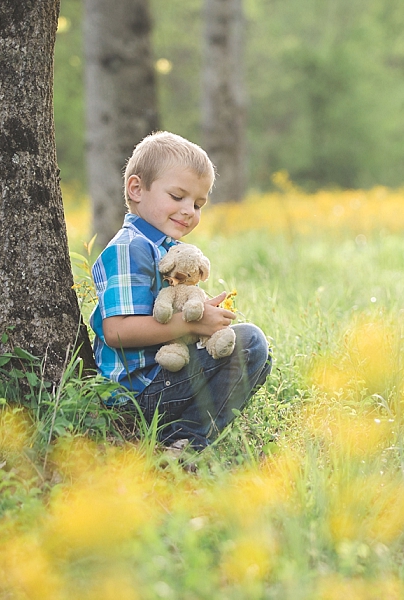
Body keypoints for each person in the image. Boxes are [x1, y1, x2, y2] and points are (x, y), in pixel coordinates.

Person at [89, 131, 272, 450]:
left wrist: (204, 318)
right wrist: (190, 325)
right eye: (177, 197)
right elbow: (117, 331)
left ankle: (181, 441)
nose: (189, 210)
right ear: (137, 189)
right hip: (136, 393)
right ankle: (181, 441)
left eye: (198, 204)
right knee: (251, 343)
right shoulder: (129, 248)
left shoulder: (169, 250)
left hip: (164, 377)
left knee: (252, 352)